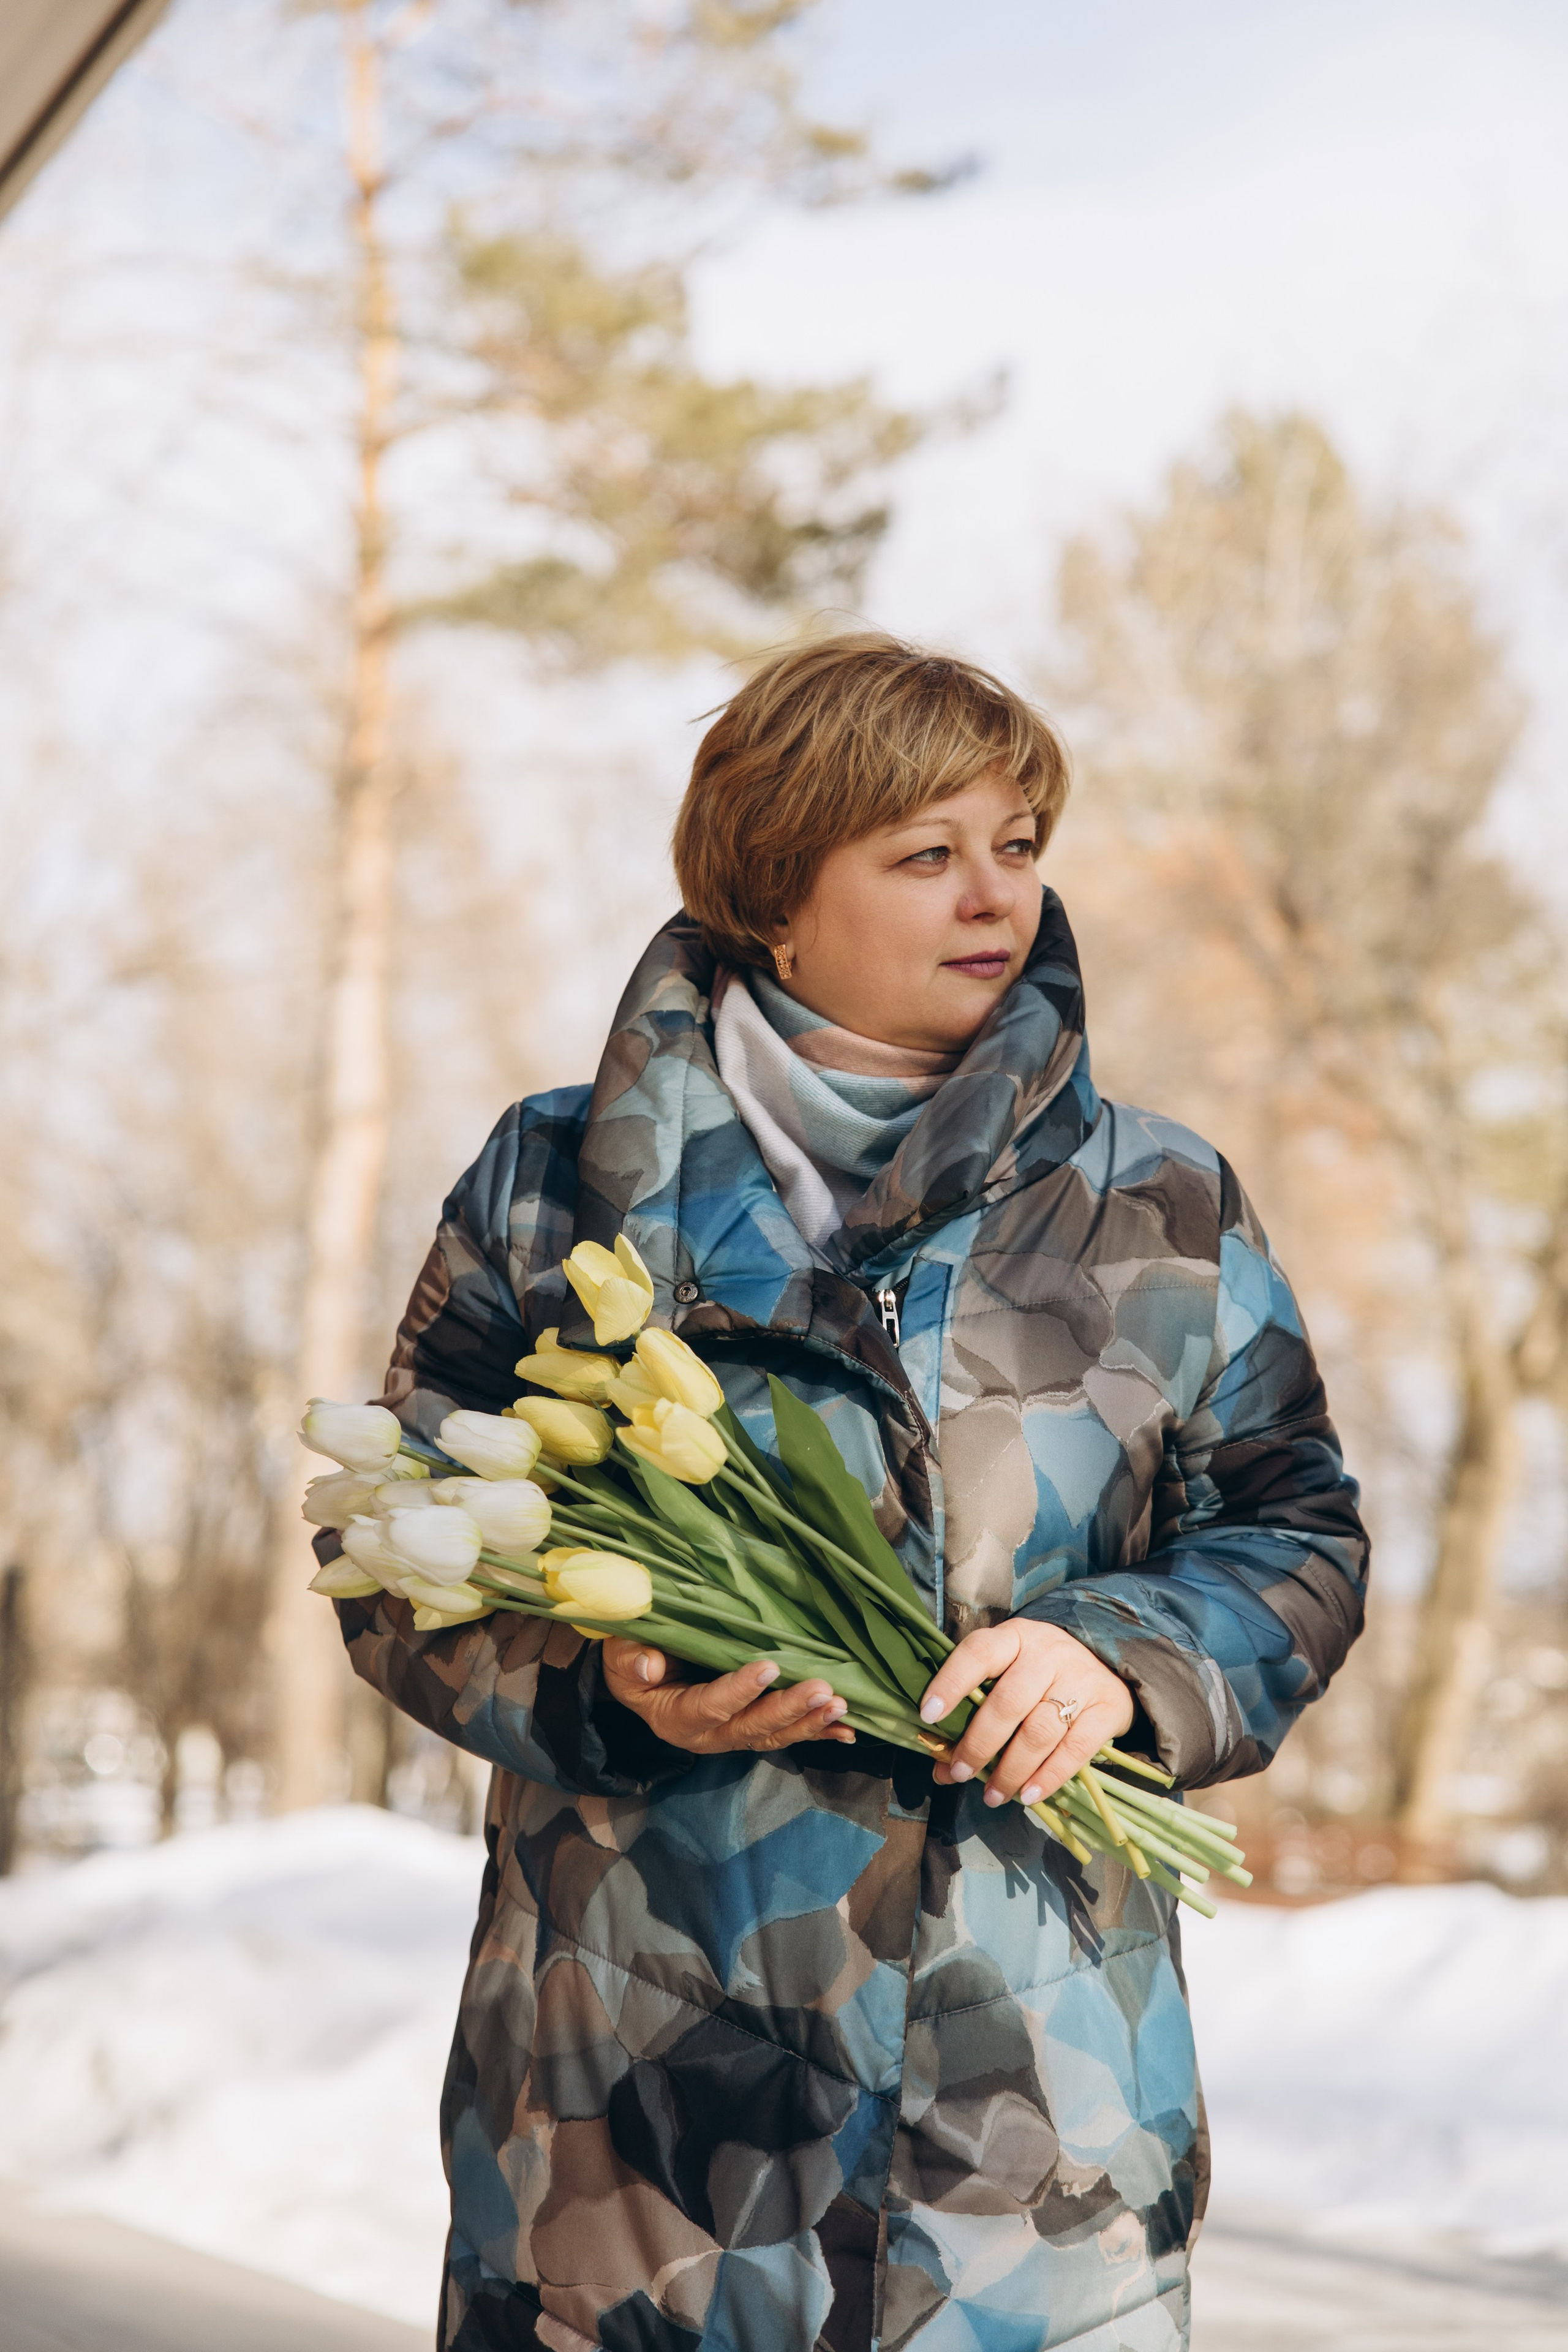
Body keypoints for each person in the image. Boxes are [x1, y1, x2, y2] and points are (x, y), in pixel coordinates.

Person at [334, 633, 1368, 2352]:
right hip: (632, 2130)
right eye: (927, 853)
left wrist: (1124, 1658)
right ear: (776, 889)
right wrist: (606, 1686)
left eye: (1020, 845)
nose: (997, 894)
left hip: (1028, 2130)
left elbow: (1296, 1530)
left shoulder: (1156, 1204)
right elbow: (395, 1549)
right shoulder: (558, 1179)